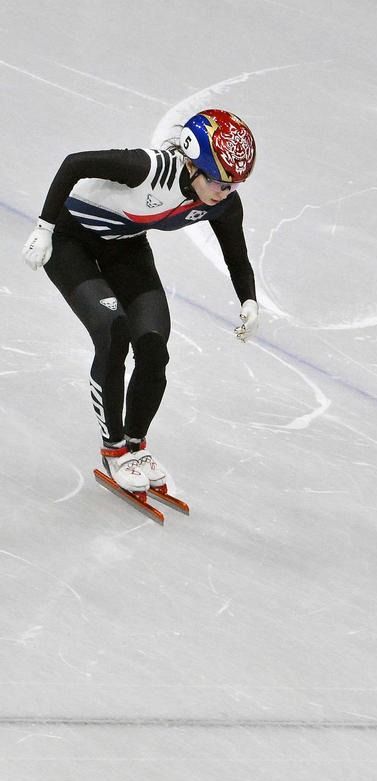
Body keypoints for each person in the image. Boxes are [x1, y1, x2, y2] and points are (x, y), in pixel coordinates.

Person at [20, 108, 261, 497]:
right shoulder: (147, 168)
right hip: (69, 242)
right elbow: (74, 164)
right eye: (218, 182)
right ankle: (114, 450)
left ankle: (136, 445)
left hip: (126, 247)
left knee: (153, 347)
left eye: (234, 185)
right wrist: (44, 228)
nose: (224, 192)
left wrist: (249, 300)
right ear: (191, 164)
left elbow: (236, 255)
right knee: (114, 333)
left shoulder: (221, 203)